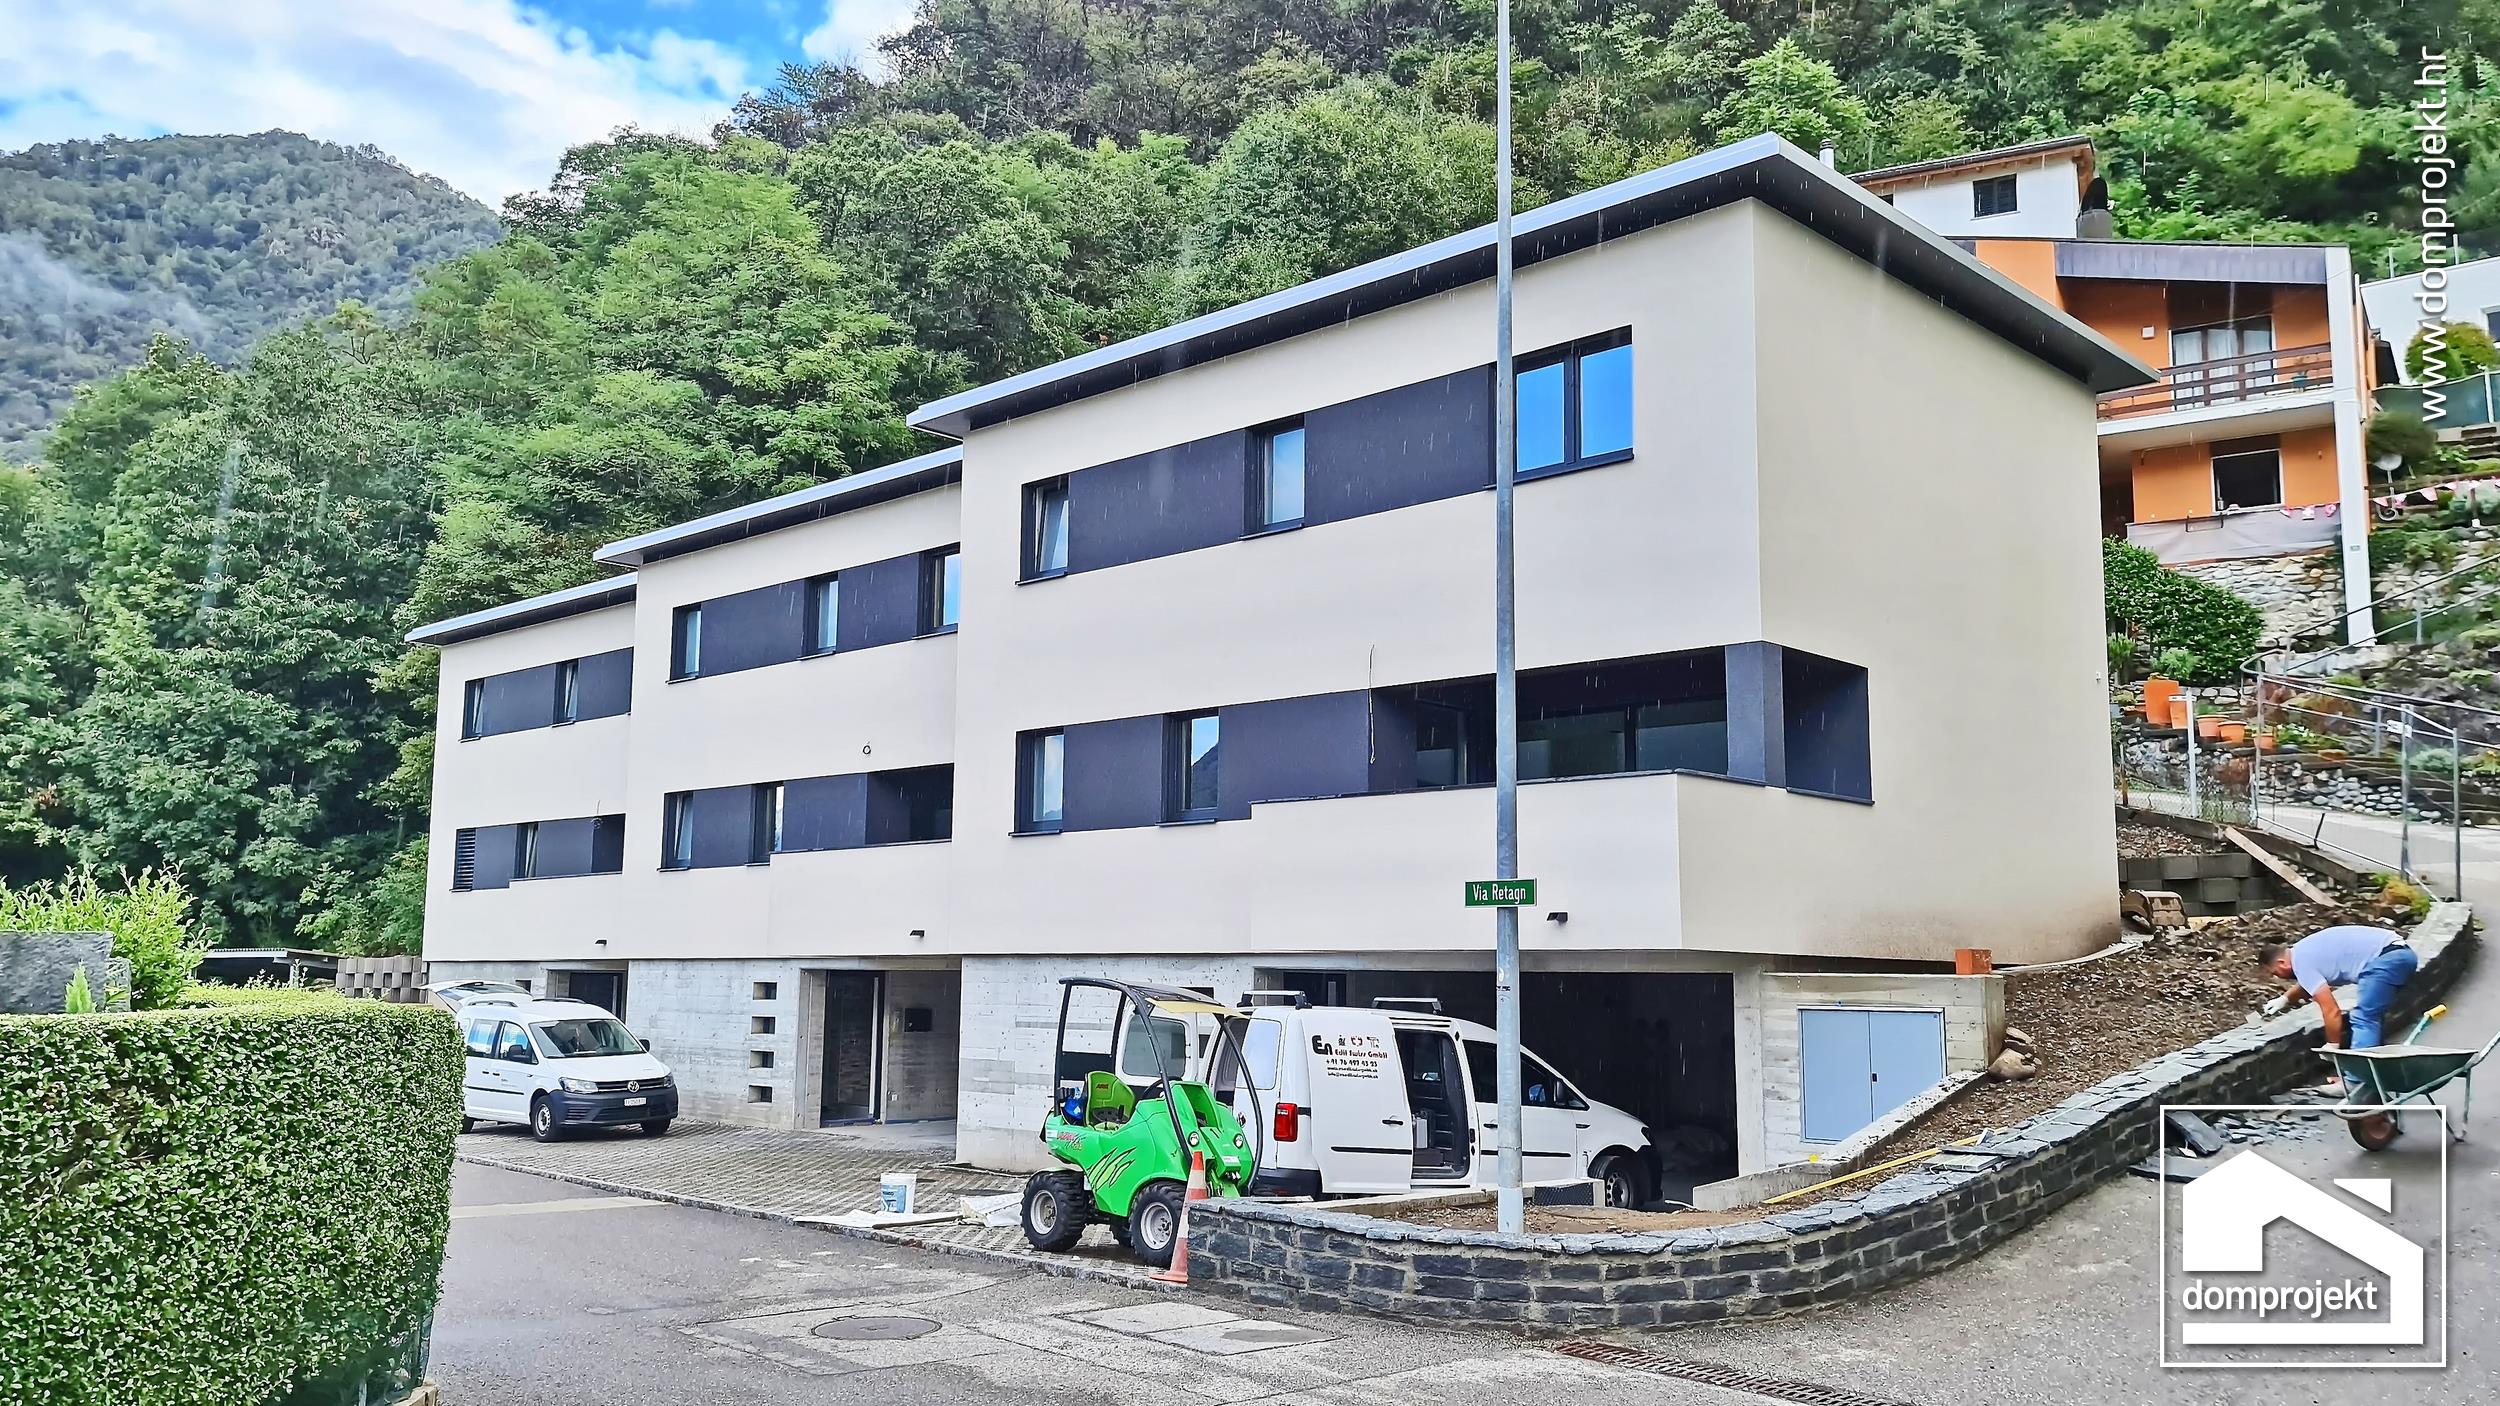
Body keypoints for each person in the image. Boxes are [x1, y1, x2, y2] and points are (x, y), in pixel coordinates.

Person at [2259, 924, 2418, 1050]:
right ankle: (2377, 1065)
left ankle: (2357, 1077)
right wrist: (2284, 999)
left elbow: (2331, 1011)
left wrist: (2332, 1045)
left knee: (2363, 1018)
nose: (2277, 977)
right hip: (2401, 954)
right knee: (2372, 1014)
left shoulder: (2301, 963)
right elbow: (2309, 983)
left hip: (2385, 960)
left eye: (2275, 972)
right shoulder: (2302, 951)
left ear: (2282, 963)